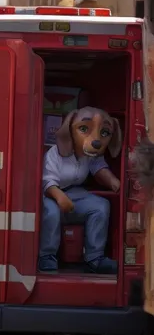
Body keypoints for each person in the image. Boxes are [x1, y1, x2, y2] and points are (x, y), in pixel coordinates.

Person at [38, 107, 121, 275]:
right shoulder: (55, 154)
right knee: (51, 211)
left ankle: (94, 258)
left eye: (104, 132)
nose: (95, 140)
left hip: (74, 193)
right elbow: (47, 181)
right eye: (84, 129)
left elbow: (98, 167)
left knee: (100, 206)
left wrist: (113, 181)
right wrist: (59, 197)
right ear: (69, 131)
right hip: (51, 193)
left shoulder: (89, 155)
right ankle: (46, 255)